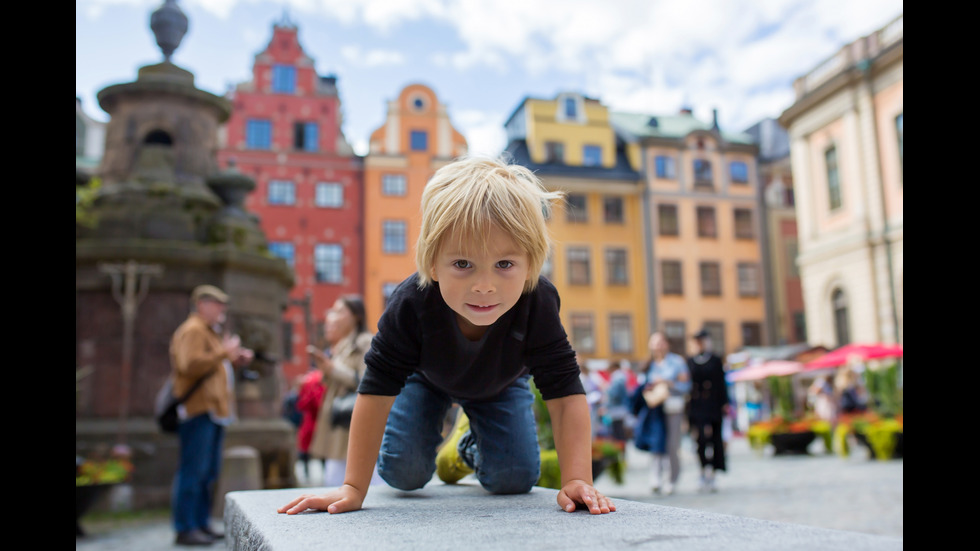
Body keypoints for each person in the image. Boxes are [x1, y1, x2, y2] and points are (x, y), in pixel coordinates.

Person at [278, 156, 614, 516]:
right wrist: (353, 487)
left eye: (504, 265)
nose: (484, 286)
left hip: (501, 384)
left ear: (531, 263)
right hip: (424, 379)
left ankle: (466, 444)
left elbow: (565, 392)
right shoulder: (410, 302)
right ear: (433, 261)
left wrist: (577, 479)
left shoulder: (538, 300)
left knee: (513, 479)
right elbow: (375, 391)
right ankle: (437, 438)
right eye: (463, 264)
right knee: (402, 474)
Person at [169, 284, 253, 546]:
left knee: (206, 473)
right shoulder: (193, 330)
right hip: (199, 411)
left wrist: (233, 358)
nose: (222, 310)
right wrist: (223, 353)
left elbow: (212, 365)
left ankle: (200, 523)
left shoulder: (208, 332)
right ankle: (186, 527)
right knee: (193, 471)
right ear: (202, 304)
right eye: (217, 304)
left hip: (213, 412)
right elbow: (189, 364)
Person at [306, 295, 376, 488]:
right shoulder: (341, 344)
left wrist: (332, 369)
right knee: (335, 476)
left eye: (339, 311)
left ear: (356, 316)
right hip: (340, 418)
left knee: (346, 476)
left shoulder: (364, 341)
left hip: (352, 417)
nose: (333, 317)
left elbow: (368, 380)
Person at [638, 332, 690, 495]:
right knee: (656, 443)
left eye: (660, 342)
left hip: (672, 407)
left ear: (667, 344)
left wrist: (668, 383)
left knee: (672, 445)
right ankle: (655, 478)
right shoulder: (648, 364)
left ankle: (671, 480)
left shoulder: (677, 362)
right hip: (654, 408)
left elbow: (686, 385)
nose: (657, 346)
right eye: (654, 342)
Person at [686, 329, 729, 493]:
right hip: (697, 405)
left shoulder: (715, 360)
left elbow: (721, 383)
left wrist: (724, 403)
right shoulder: (690, 361)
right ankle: (703, 470)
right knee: (701, 440)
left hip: (713, 404)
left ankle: (713, 471)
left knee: (715, 439)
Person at [295, 368, 325, 484]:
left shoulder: (309, 383)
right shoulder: (318, 381)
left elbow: (302, 405)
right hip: (317, 421)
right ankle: (321, 473)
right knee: (320, 448)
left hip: (311, 421)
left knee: (308, 449)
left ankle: (307, 474)